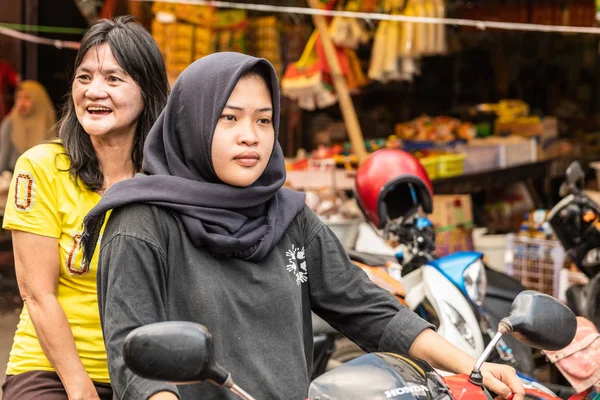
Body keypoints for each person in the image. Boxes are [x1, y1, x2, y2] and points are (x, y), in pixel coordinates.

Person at [83, 52, 525, 400]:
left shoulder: (286, 216)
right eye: (229, 118)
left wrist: (473, 367)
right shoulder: (140, 224)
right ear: (190, 124)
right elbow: (134, 361)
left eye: (264, 119)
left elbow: (370, 309)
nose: (250, 135)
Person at [1, 16, 169, 400]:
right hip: (51, 371)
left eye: (113, 79)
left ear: (148, 90)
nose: (94, 91)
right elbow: (37, 294)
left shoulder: (167, 180)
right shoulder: (41, 168)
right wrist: (79, 387)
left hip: (149, 373)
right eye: (84, 77)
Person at [0, 80, 56, 173]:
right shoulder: (10, 123)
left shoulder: (48, 121)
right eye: (18, 97)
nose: (21, 103)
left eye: (27, 98)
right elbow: (2, 160)